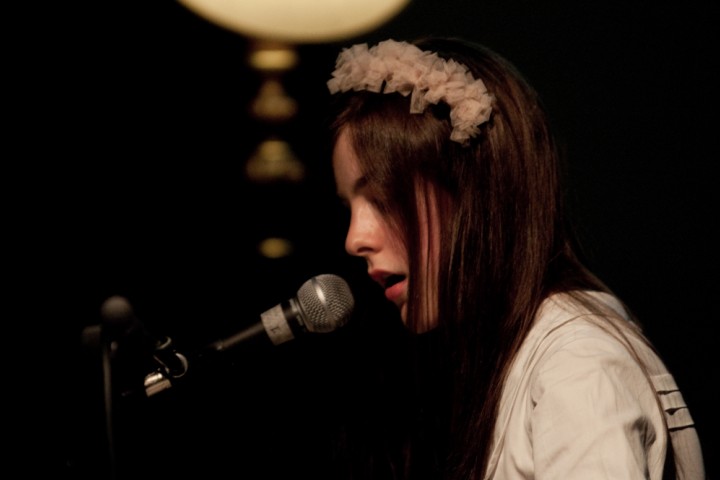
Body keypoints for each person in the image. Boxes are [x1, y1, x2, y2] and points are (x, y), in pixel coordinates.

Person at [323, 36, 705, 479]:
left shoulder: (578, 368)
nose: (355, 239)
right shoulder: (493, 359)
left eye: (384, 198)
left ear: (474, 193)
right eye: (350, 207)